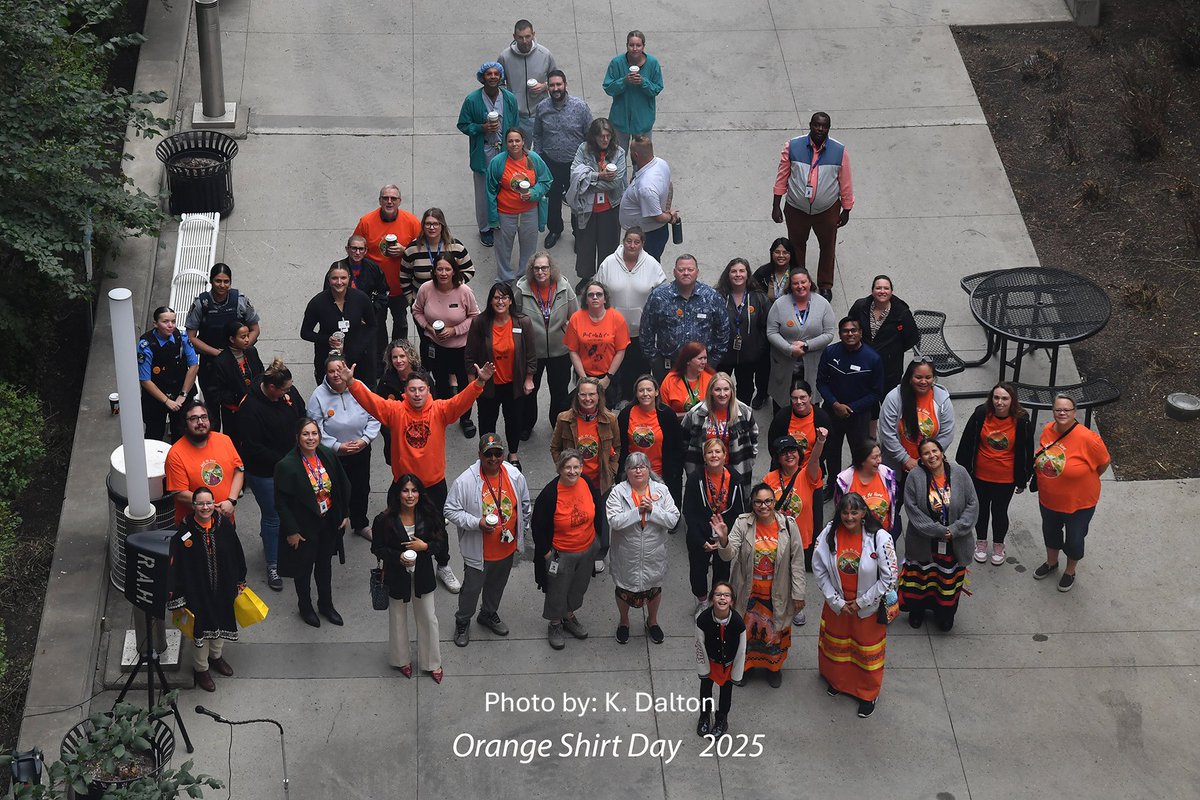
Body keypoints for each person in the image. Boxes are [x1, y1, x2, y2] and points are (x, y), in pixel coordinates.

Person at [345, 361, 496, 594]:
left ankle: (443, 565)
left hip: (433, 485)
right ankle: (400, 564)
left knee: (438, 528)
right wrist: (351, 383)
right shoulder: (395, 411)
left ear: (428, 391)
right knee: (395, 527)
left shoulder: (441, 410)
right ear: (405, 392)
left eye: (421, 389)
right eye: (412, 390)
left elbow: (462, 400)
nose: (417, 394)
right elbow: (371, 401)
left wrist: (480, 382)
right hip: (402, 485)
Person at [813, 492, 897, 719]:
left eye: (854, 512)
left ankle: (868, 694)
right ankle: (837, 682)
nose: (849, 517)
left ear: (864, 513)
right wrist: (837, 601)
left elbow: (889, 578)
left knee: (866, 652)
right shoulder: (829, 533)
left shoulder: (880, 538)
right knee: (836, 648)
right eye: (845, 512)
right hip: (838, 608)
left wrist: (861, 603)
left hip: (867, 610)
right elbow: (819, 569)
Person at [712, 484, 806, 688]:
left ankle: (774, 669)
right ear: (752, 504)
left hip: (777, 592)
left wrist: (798, 593)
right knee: (746, 633)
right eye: (758, 502)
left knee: (774, 634)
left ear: (774, 502)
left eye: (768, 501)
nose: (764, 506)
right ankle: (745, 668)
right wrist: (723, 539)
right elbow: (727, 555)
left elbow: (797, 561)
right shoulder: (742, 523)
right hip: (748, 592)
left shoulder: (788, 525)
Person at [445, 434, 532, 648]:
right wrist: (477, 523)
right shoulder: (465, 480)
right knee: (471, 590)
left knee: (496, 586)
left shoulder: (514, 475)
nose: (493, 458)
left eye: (498, 453)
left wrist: (521, 533)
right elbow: (450, 510)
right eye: (488, 454)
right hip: (479, 553)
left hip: (506, 548)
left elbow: (524, 505)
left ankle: (488, 614)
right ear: (479, 455)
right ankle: (462, 621)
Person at [166, 486, 247, 693]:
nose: (205, 507)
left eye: (209, 503)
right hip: (197, 593)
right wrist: (178, 597)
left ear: (214, 504)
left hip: (223, 588)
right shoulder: (184, 533)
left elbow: (236, 553)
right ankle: (201, 668)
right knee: (200, 631)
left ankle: (216, 657)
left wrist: (240, 579)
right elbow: (175, 567)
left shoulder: (224, 526)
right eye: (200, 503)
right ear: (193, 506)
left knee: (221, 621)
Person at [236, 359, 306, 591]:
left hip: (292, 464)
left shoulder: (288, 393)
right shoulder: (250, 408)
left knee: (291, 509)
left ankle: (284, 547)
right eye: (284, 390)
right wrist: (286, 462)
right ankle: (273, 564)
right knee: (273, 516)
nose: (288, 394)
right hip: (265, 473)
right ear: (272, 387)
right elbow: (253, 447)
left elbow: (301, 413)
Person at [274, 418, 350, 628]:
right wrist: (292, 531)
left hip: (327, 523)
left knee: (325, 566)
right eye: (305, 434)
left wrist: (344, 513)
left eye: (314, 433)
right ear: (297, 437)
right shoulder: (286, 465)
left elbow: (341, 485)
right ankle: (305, 607)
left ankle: (326, 605)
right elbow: (281, 502)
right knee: (303, 569)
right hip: (303, 527)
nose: (310, 438)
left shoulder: (326, 454)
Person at [371, 475, 447, 683]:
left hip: (423, 574)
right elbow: (377, 548)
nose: (410, 495)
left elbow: (441, 543)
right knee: (397, 618)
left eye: (414, 490)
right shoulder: (384, 520)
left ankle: (432, 662)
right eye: (405, 490)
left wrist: (425, 547)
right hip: (396, 575)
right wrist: (398, 557)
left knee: (428, 618)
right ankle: (401, 659)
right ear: (398, 494)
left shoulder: (429, 515)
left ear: (420, 493)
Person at [771, 112, 854, 299]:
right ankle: (799, 281)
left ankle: (825, 285)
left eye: (824, 126)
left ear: (829, 128)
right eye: (817, 125)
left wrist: (847, 209)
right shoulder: (792, 146)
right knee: (796, 246)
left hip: (827, 210)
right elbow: (782, 176)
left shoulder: (839, 151)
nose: (820, 129)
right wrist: (776, 205)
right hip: (796, 208)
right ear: (810, 125)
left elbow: (846, 182)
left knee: (828, 246)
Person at [1031, 395, 1110, 592]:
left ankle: (1069, 571)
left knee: (1074, 539)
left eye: (1067, 409)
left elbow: (1103, 463)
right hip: (1049, 499)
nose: (1062, 413)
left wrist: (1081, 479)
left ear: (1075, 412)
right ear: (1053, 411)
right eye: (1058, 409)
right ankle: (1051, 563)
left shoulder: (1089, 439)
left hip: (1078, 503)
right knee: (1050, 532)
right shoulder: (1048, 430)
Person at [899, 438, 979, 631]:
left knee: (946, 582)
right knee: (920, 580)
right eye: (926, 453)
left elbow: (972, 504)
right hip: (923, 542)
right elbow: (912, 509)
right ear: (921, 458)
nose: (931, 456)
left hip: (954, 543)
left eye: (934, 451)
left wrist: (955, 529)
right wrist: (939, 531)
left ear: (942, 452)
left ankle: (944, 615)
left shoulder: (960, 473)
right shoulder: (914, 476)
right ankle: (917, 611)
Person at [532, 450, 606, 650]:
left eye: (576, 467)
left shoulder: (586, 483)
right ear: (559, 469)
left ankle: (569, 615)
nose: (572, 471)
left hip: (587, 548)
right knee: (557, 590)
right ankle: (555, 623)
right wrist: (547, 555)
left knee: (578, 587)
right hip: (561, 553)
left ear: (581, 467)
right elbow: (538, 527)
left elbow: (598, 509)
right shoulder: (550, 494)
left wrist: (597, 541)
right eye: (568, 467)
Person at [954, 382, 1034, 566]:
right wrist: (965, 472)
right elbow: (967, 442)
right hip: (979, 476)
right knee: (981, 510)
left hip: (1006, 479)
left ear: (1012, 401)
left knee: (999, 512)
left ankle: (999, 545)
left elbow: (1026, 450)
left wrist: (1023, 479)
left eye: (1005, 398)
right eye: (996, 397)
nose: (1000, 402)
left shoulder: (1021, 420)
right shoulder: (981, 414)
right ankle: (981, 542)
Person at [606, 453, 679, 645]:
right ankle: (624, 621)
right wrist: (637, 512)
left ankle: (652, 621)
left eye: (642, 467)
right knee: (623, 589)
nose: (638, 471)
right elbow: (614, 521)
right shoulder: (617, 492)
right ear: (627, 471)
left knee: (654, 589)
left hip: (653, 554)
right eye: (633, 467)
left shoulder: (662, 491)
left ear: (649, 470)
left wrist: (653, 510)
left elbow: (673, 519)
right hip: (626, 555)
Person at [307, 353, 380, 541]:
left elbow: (375, 414)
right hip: (333, 455)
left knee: (361, 488)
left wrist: (365, 440)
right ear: (326, 373)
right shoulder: (318, 396)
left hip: (360, 450)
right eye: (331, 371)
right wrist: (337, 446)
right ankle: (336, 525)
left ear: (347, 369)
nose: (336, 375)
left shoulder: (359, 387)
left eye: (339, 370)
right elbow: (315, 429)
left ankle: (360, 523)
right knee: (334, 490)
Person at [466, 282, 536, 470]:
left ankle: (513, 454)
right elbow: (470, 355)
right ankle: (488, 453)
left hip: (514, 384)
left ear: (511, 301)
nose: (500, 301)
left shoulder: (522, 322)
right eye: (496, 297)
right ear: (490, 301)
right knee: (487, 421)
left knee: (514, 420)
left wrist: (529, 378)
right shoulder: (480, 323)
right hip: (488, 385)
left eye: (504, 297)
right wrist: (473, 384)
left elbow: (531, 354)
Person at [184, 264, 260, 433]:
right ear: (211, 281)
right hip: (211, 364)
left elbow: (255, 329)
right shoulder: (201, 303)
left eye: (226, 281)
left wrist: (244, 347)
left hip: (238, 364)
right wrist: (217, 354)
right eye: (218, 281)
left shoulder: (240, 301)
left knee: (241, 408)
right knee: (212, 411)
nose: (222, 285)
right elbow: (191, 337)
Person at [412, 253, 480, 438]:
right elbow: (416, 311)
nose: (443, 273)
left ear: (454, 271)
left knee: (464, 385)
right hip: (436, 347)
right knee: (440, 382)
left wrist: (455, 330)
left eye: (447, 269)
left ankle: (465, 418)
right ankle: (441, 414)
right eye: (439, 269)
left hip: (461, 348)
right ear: (434, 271)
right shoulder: (426, 289)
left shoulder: (464, 291)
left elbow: (475, 316)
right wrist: (428, 328)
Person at [593, 227, 665, 397]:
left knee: (639, 371)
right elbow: (597, 291)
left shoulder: (652, 265)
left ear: (642, 244)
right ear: (623, 242)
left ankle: (636, 402)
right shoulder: (608, 263)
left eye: (636, 242)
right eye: (629, 241)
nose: (632, 245)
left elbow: (661, 296)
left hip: (642, 333)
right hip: (612, 331)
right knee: (613, 371)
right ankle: (614, 403)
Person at [513, 251, 577, 437]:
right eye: (537, 268)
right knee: (529, 390)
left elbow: (575, 317)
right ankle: (526, 425)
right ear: (531, 270)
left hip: (560, 351)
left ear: (551, 269)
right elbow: (514, 318)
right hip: (532, 352)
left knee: (559, 391)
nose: (540, 272)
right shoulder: (522, 290)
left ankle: (557, 424)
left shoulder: (564, 287)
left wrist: (568, 335)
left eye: (544, 268)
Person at [816, 317, 885, 489]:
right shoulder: (830, 352)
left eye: (854, 330)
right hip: (832, 412)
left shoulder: (873, 358)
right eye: (845, 331)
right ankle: (832, 485)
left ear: (860, 333)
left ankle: (856, 486)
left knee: (860, 453)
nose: (850, 334)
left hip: (859, 416)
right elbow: (821, 382)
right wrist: (835, 404)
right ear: (840, 334)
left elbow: (876, 392)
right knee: (831, 450)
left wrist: (852, 408)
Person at [458, 61, 519, 247]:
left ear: (501, 77)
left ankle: (501, 222)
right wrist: (481, 128)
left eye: (496, 74)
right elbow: (463, 125)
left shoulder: (509, 98)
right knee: (484, 192)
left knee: (505, 188)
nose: (493, 76)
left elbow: (515, 124)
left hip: (505, 151)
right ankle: (485, 228)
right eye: (489, 74)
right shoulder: (472, 100)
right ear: (482, 77)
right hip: (483, 151)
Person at [641, 255, 731, 379]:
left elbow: (723, 330)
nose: (686, 273)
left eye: (690, 269)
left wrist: (713, 361)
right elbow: (646, 330)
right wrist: (655, 360)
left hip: (702, 367)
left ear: (697, 272)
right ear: (674, 272)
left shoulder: (711, 297)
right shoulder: (659, 297)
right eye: (681, 270)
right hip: (668, 366)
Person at [352, 184, 421, 342]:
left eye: (393, 198)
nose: (389, 201)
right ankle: (381, 355)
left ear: (399, 201)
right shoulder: (366, 222)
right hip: (375, 288)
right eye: (385, 198)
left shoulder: (412, 222)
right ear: (379, 201)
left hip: (401, 286)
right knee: (376, 324)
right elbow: (355, 250)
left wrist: (405, 251)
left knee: (401, 323)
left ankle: (399, 353)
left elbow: (422, 251)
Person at [683, 438, 746, 612]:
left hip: (724, 536)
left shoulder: (735, 478)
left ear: (725, 455)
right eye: (710, 452)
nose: (714, 455)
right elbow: (689, 512)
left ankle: (717, 602)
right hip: (700, 535)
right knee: (698, 571)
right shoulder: (695, 479)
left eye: (718, 451)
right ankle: (703, 602)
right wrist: (700, 540)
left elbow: (739, 512)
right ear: (704, 457)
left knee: (722, 571)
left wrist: (727, 539)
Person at [879, 358, 956, 495]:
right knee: (895, 503)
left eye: (928, 377)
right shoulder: (894, 398)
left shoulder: (942, 400)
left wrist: (927, 459)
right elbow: (887, 434)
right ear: (909, 378)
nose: (923, 381)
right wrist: (905, 459)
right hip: (897, 466)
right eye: (918, 377)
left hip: (929, 465)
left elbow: (947, 434)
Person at [533, 70, 592, 248]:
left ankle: (578, 234)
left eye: (559, 84)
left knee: (576, 200)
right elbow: (537, 134)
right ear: (548, 87)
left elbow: (590, 135)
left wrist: (587, 161)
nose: (555, 88)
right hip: (550, 162)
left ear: (565, 85)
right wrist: (539, 157)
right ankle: (555, 230)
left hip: (575, 164)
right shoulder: (542, 107)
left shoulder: (580, 107)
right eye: (552, 85)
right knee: (552, 199)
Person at [486, 127, 552, 283]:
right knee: (503, 248)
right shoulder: (497, 162)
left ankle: (525, 277)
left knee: (529, 248)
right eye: (510, 141)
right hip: (505, 212)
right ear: (505, 143)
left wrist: (533, 193)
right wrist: (493, 218)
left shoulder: (534, 159)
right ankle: (505, 278)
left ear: (523, 142)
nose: (514, 144)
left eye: (517, 140)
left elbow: (546, 180)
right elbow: (490, 191)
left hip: (529, 212)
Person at [766, 268, 836, 412]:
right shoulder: (779, 304)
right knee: (782, 406)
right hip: (785, 363)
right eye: (795, 283)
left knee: (810, 406)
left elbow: (829, 333)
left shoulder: (823, 304)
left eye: (803, 282)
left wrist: (807, 345)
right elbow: (771, 332)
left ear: (810, 283)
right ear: (790, 286)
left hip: (812, 364)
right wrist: (789, 349)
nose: (800, 286)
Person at [761, 432, 827, 585]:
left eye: (792, 451)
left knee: (797, 581)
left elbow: (814, 459)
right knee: (777, 580)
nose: (789, 455)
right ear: (778, 458)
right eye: (784, 452)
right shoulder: (769, 479)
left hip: (800, 539)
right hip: (776, 538)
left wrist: (820, 441)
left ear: (799, 453)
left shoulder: (807, 475)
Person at [165, 401, 244, 524]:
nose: (200, 422)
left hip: (226, 518)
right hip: (194, 525)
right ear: (185, 424)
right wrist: (212, 507)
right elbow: (180, 493)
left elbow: (239, 470)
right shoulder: (175, 454)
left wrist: (231, 501)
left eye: (204, 417)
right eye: (194, 418)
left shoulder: (224, 440)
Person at [848, 275, 920, 408]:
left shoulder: (902, 313)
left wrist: (892, 351)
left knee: (890, 405)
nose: (882, 291)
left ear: (891, 291)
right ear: (872, 290)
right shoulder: (860, 306)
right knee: (866, 406)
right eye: (878, 288)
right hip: (863, 365)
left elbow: (912, 338)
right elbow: (849, 327)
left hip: (889, 370)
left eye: (886, 288)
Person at [569, 118, 627, 281]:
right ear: (594, 136)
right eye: (601, 136)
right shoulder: (583, 149)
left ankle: (605, 279)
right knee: (585, 247)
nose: (605, 140)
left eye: (608, 136)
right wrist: (599, 176)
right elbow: (574, 174)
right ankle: (586, 278)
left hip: (610, 208)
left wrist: (587, 181)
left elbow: (616, 183)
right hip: (586, 208)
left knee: (609, 247)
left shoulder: (619, 153)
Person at [300, 262, 376, 386]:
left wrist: (361, 346)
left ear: (349, 278)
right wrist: (326, 339)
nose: (339, 282)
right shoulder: (317, 302)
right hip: (328, 358)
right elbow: (305, 333)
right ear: (329, 279)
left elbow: (372, 326)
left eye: (343, 278)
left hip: (358, 360)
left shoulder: (361, 298)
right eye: (335, 278)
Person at [617, 374, 685, 513]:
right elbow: (621, 445)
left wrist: (676, 471)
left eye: (649, 390)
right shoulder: (626, 414)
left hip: (662, 473)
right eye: (641, 390)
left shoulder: (667, 414)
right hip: (634, 474)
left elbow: (677, 445)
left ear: (656, 392)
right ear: (636, 393)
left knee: (663, 513)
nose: (645, 394)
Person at [682, 372, 759, 492]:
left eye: (726, 389)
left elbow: (753, 436)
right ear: (711, 391)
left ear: (732, 391)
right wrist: (688, 464)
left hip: (736, 469)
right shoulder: (696, 414)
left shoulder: (744, 412)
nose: (722, 394)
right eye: (718, 389)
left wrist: (750, 460)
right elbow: (683, 439)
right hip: (703, 470)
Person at [328, 235, 390, 374]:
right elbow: (329, 295)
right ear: (347, 249)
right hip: (345, 322)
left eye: (361, 249)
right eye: (354, 248)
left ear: (366, 250)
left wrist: (371, 313)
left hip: (369, 321)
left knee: (373, 354)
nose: (357, 252)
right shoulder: (337, 269)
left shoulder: (373, 268)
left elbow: (384, 293)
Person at [564, 280, 629, 409]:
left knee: (606, 411)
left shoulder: (617, 318)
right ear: (585, 299)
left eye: (599, 294)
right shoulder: (576, 318)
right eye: (590, 295)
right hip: (584, 374)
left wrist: (607, 378)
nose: (595, 297)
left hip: (609, 375)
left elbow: (620, 350)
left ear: (605, 299)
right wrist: (584, 379)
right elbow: (573, 350)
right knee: (583, 408)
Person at [138, 306, 199, 442]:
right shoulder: (146, 345)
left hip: (180, 392)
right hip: (156, 396)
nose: (170, 325)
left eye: (173, 321)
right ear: (155, 324)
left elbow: (194, 366)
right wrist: (167, 401)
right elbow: (145, 380)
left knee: (183, 433)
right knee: (154, 435)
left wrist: (183, 395)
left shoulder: (181, 336)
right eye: (165, 322)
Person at [694, 580, 746, 738]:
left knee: (726, 693)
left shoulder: (737, 623)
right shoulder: (703, 619)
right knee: (705, 690)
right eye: (718, 594)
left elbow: (741, 649)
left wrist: (737, 672)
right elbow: (699, 645)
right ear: (711, 599)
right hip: (710, 663)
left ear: (732, 601)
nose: (722, 598)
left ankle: (722, 719)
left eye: (726, 595)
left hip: (728, 665)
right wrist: (702, 668)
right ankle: (704, 716)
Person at [400, 208, 476, 316]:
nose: (432, 228)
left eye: (436, 224)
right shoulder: (412, 249)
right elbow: (404, 276)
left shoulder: (455, 246)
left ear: (442, 225)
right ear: (423, 226)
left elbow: (469, 270)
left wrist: (454, 284)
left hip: (451, 305)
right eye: (428, 224)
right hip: (423, 306)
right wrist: (411, 301)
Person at [714, 258, 769, 407]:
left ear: (748, 274)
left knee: (746, 389)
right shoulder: (717, 296)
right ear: (728, 274)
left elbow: (766, 326)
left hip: (748, 356)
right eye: (733, 271)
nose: (738, 274)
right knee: (719, 389)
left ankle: (741, 416)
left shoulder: (759, 297)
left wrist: (758, 348)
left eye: (741, 271)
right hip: (723, 356)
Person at [552, 377, 620, 497]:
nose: (587, 399)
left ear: (599, 396)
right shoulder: (564, 419)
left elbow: (617, 447)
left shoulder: (610, 419)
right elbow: (555, 448)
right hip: (573, 482)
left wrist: (612, 470)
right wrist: (564, 470)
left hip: (601, 484)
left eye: (592, 394)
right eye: (583, 394)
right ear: (577, 397)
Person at [206, 320, 264, 450]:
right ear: (232, 339)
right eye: (243, 337)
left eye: (247, 335)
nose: (247, 340)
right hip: (234, 412)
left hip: (255, 408)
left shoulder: (252, 351)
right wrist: (240, 397)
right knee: (235, 445)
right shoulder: (221, 361)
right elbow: (215, 392)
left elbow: (261, 373)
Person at [497, 19, 557, 145]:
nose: (524, 41)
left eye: (528, 36)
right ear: (514, 37)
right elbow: (499, 84)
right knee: (519, 151)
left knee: (544, 150)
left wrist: (544, 86)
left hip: (542, 113)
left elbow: (556, 80)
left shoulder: (545, 54)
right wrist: (509, 99)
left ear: (533, 34)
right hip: (517, 116)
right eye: (520, 37)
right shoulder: (505, 57)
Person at [602, 30, 663, 152]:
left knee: (642, 156)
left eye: (638, 45)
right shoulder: (617, 63)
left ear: (643, 46)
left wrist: (643, 82)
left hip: (642, 121)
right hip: (620, 121)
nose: (635, 49)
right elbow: (608, 88)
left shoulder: (652, 64)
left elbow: (657, 88)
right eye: (631, 45)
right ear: (627, 45)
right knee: (617, 156)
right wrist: (623, 81)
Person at [618, 136, 677, 260]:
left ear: (635, 155)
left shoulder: (646, 186)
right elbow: (669, 185)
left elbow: (658, 217)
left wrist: (670, 217)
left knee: (646, 267)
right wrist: (667, 207)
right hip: (652, 233)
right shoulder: (661, 163)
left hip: (648, 237)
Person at [833, 439, 900, 535]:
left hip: (883, 534)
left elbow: (894, 501)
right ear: (862, 460)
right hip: (855, 536)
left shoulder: (888, 476)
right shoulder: (844, 481)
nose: (879, 461)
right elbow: (840, 509)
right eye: (875, 457)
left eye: (879, 456)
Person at [373, 340, 422, 464]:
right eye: (395, 357)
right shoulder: (386, 381)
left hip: (420, 437)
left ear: (410, 356)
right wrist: (389, 433)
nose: (398, 360)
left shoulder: (423, 379)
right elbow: (379, 409)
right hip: (395, 439)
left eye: (402, 356)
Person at [659, 342, 713, 418]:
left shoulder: (710, 378)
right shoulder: (670, 380)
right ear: (688, 361)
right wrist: (690, 415)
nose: (704, 362)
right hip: (677, 423)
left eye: (705, 358)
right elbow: (663, 413)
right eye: (700, 358)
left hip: (704, 423)